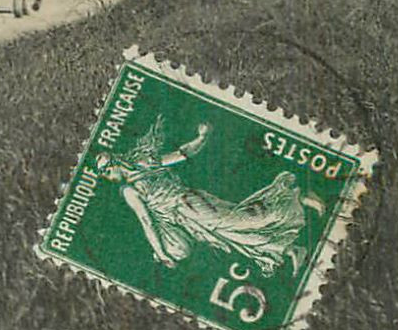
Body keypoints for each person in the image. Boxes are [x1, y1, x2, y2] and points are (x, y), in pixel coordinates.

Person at [96, 116, 325, 276]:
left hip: (188, 204)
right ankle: (290, 249)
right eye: (104, 174)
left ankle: (297, 196)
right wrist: (201, 137)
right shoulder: (139, 169)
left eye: (106, 171)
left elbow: (147, 220)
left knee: (238, 223)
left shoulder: (131, 185)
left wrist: (160, 252)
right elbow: (183, 155)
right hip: (187, 212)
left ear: (114, 163)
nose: (107, 176)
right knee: (231, 235)